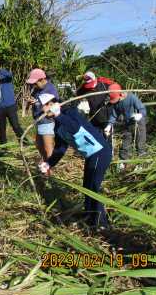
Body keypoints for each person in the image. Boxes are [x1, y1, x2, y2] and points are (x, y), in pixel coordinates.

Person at [37, 93, 112, 229]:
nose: (43, 111)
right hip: (91, 155)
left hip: (99, 152)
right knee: (87, 187)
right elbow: (60, 148)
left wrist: (60, 115)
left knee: (93, 188)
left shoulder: (70, 113)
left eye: (44, 107)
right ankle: (90, 216)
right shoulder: (57, 126)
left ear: (52, 104)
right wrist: (49, 163)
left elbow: (76, 128)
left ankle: (101, 224)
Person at [107, 83, 147, 170]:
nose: (116, 101)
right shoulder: (116, 102)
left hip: (138, 123)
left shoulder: (131, 98)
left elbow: (142, 109)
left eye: (116, 99)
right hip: (127, 123)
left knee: (140, 144)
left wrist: (140, 115)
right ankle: (122, 163)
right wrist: (109, 124)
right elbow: (114, 114)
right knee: (125, 143)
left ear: (121, 94)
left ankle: (141, 164)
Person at [26, 68, 60, 161]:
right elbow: (35, 99)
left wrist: (38, 102)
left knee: (47, 147)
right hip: (39, 120)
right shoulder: (37, 89)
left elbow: (51, 103)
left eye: (35, 83)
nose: (34, 85)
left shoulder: (50, 89)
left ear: (42, 80)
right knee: (39, 145)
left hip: (47, 121)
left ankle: (48, 170)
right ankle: (45, 162)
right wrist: (31, 101)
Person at [0, 65, 24, 145]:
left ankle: (23, 142)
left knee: (15, 126)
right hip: (0, 109)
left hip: (10, 106)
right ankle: (3, 146)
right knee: (2, 128)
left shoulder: (6, 78)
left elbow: (10, 75)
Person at [76, 71, 115, 141]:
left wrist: (110, 97)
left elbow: (116, 90)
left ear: (95, 79)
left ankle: (108, 150)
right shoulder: (84, 87)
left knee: (107, 139)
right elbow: (77, 94)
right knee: (96, 139)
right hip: (94, 116)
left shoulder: (104, 84)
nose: (90, 87)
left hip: (107, 116)